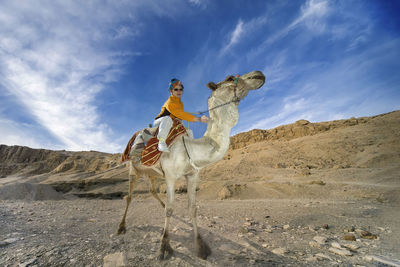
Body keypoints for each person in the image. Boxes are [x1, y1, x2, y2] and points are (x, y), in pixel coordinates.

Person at [154, 78, 208, 152]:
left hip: (172, 123)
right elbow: (181, 114)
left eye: (181, 89)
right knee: (167, 119)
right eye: (176, 89)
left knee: (189, 131)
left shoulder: (180, 104)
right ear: (171, 91)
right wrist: (199, 119)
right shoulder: (170, 102)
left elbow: (180, 117)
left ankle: (191, 149)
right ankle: (161, 142)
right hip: (160, 123)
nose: (179, 91)